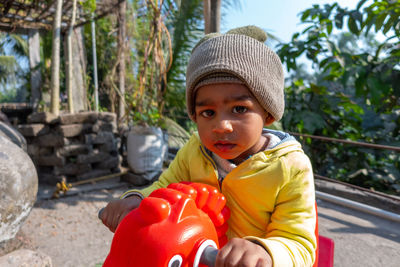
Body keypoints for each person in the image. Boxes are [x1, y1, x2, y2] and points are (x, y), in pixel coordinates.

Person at [101, 25, 317, 266]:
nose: (221, 125)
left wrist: (265, 252)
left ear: (268, 114)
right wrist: (138, 200)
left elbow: (299, 243)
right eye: (207, 112)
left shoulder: (290, 167)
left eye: (239, 109)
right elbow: (164, 187)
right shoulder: (194, 151)